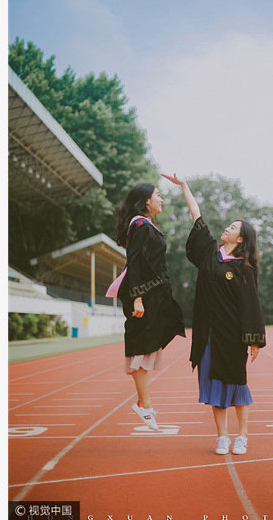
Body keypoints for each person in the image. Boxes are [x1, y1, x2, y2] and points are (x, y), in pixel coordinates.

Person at [161, 173, 266, 456]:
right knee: (213, 387)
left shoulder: (244, 268)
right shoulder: (210, 252)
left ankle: (242, 436)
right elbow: (196, 215)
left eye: (232, 227)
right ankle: (222, 437)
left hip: (231, 336)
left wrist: (253, 339)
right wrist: (185, 187)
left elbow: (250, 305)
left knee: (237, 385)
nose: (227, 228)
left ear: (240, 237)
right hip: (207, 334)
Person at [106, 182, 185, 431]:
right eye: (158, 195)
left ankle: (145, 403)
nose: (161, 199)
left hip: (154, 294)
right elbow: (136, 262)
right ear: (146, 201)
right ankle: (145, 404)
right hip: (143, 295)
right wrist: (138, 297)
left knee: (152, 341)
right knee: (141, 347)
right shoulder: (139, 225)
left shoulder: (146, 225)